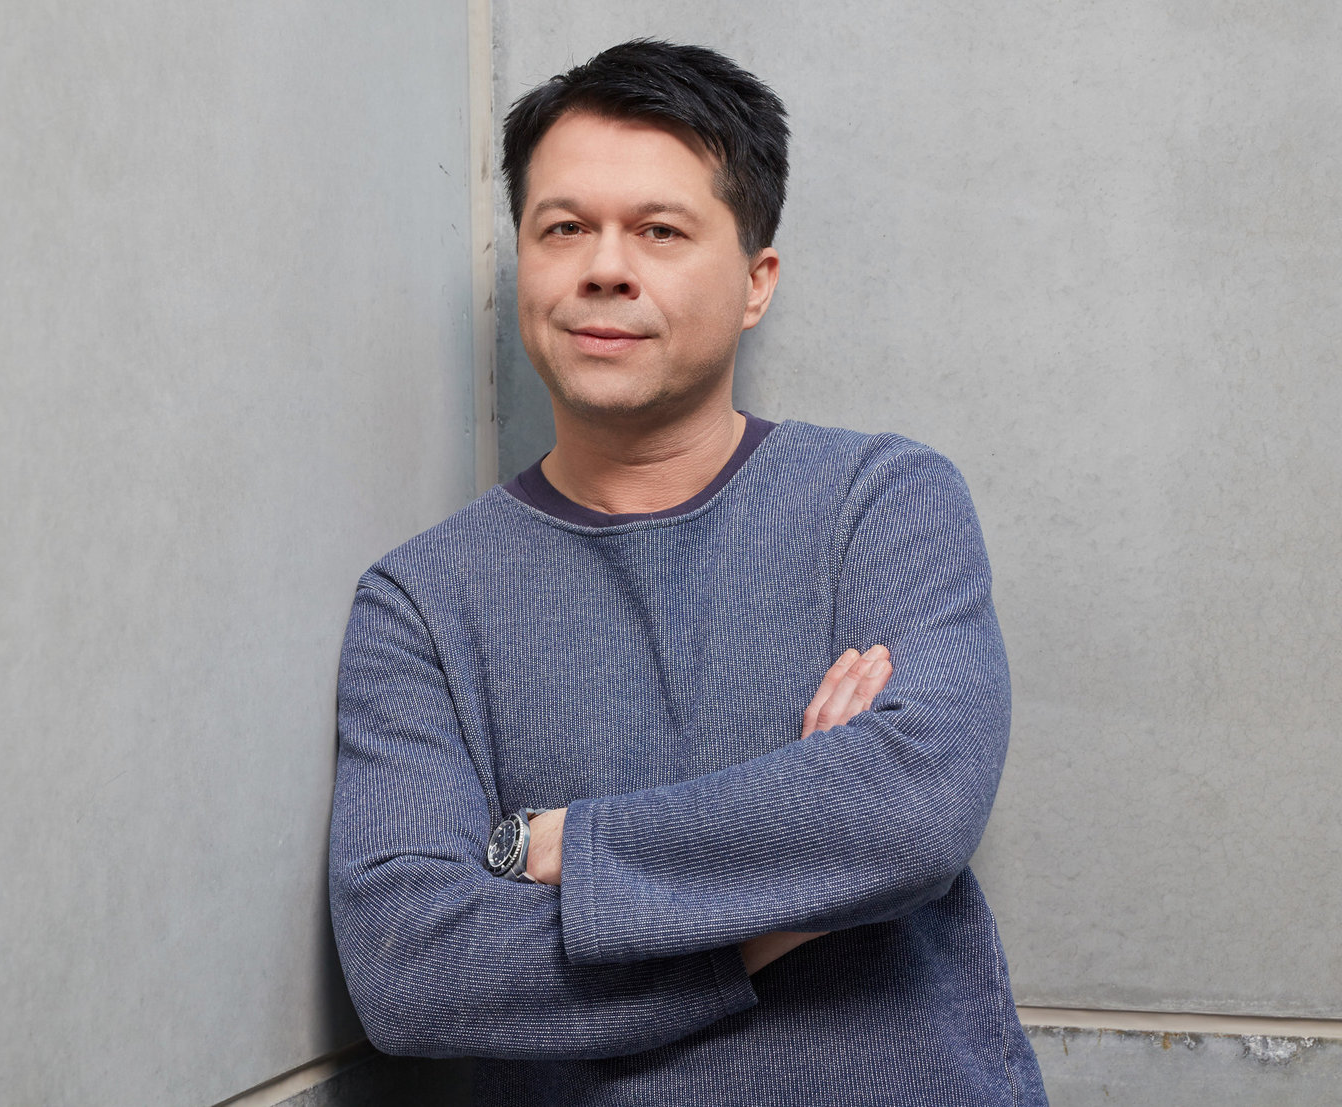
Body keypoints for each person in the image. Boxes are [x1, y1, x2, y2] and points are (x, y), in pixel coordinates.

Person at [329, 38, 1048, 1107]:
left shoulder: (881, 501)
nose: (604, 267)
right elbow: (413, 975)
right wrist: (800, 887)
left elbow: (915, 808)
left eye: (659, 231)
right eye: (563, 228)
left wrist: (560, 847)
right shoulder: (421, 603)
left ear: (757, 283)